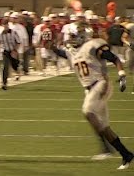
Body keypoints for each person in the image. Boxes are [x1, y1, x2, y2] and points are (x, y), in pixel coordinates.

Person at [52, 28, 134, 170]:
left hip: (100, 84)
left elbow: (114, 58)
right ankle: (126, 154)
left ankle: (109, 148)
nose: (72, 39)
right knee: (104, 127)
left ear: (83, 37)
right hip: (89, 89)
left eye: (75, 37)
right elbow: (58, 52)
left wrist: (122, 75)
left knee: (88, 111)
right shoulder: (72, 53)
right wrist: (50, 45)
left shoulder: (91, 46)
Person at [0, 19, 21, 90]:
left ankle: (18, 72)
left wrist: (15, 50)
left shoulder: (13, 32)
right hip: (5, 51)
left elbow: (18, 42)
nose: (5, 26)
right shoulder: (0, 34)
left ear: (8, 25)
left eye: (6, 25)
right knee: (5, 66)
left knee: (14, 65)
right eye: (4, 25)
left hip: (13, 50)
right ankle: (4, 83)